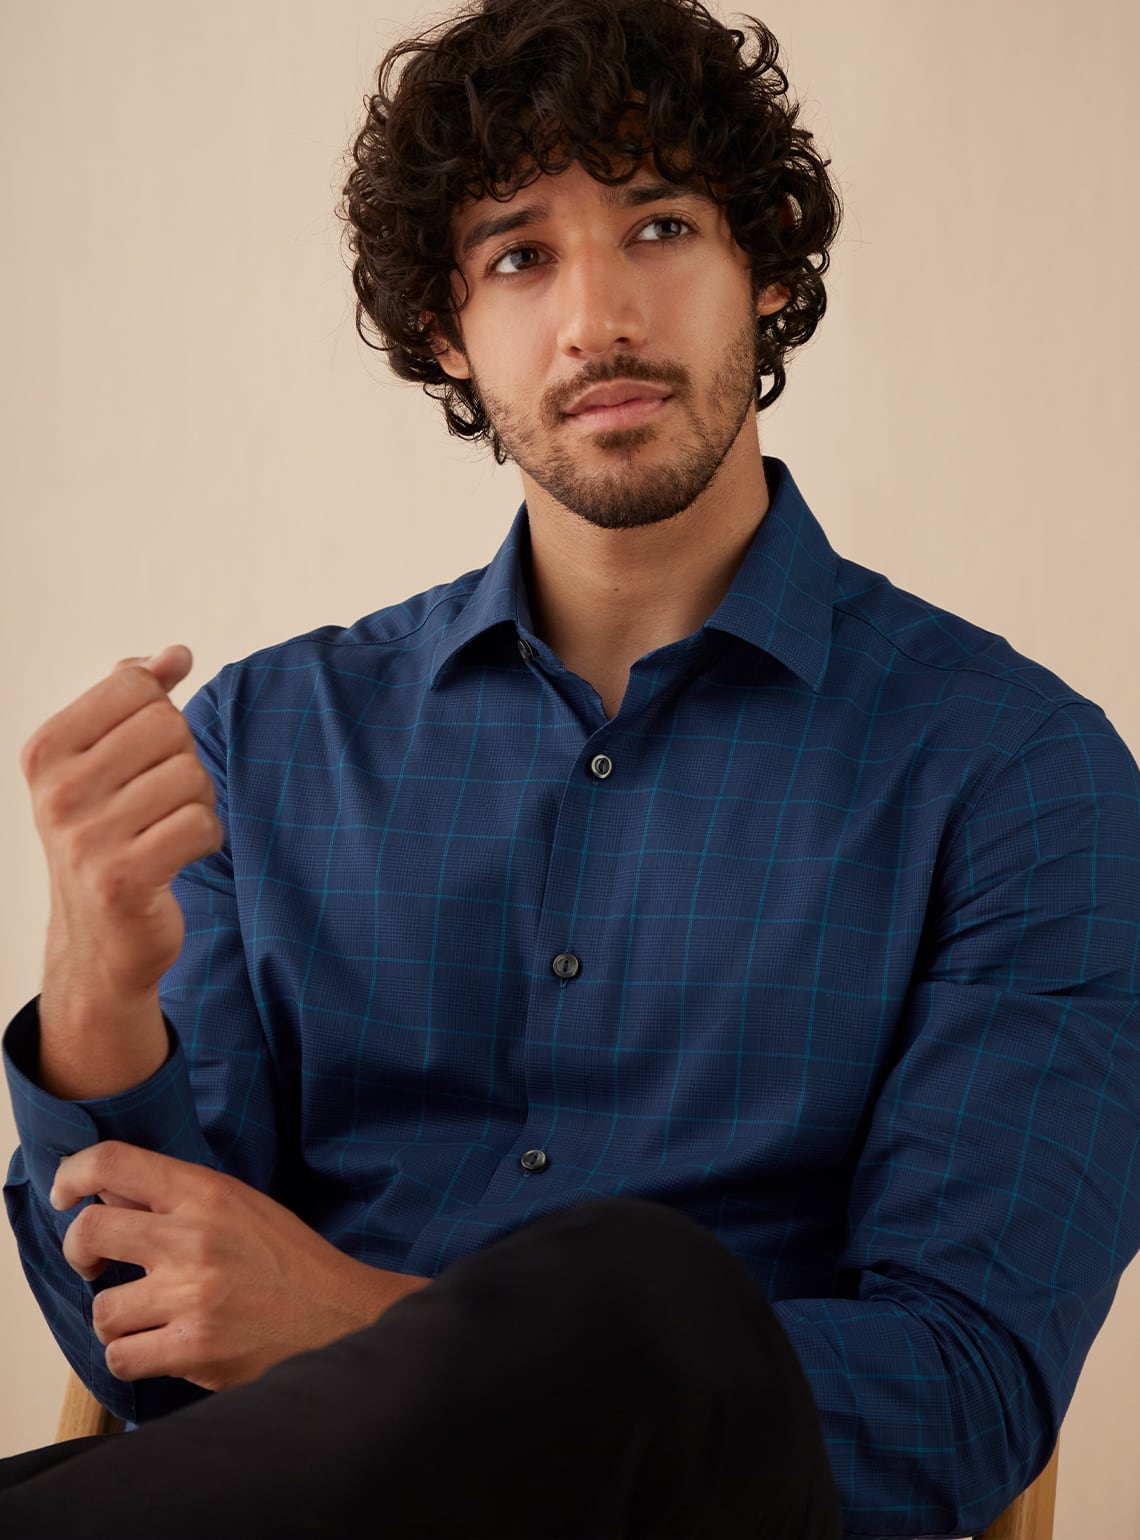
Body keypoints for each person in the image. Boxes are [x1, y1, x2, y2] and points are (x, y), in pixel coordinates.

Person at [3, 0, 1139, 1535]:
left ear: (768, 269)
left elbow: (957, 1396)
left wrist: (350, 1317)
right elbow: (150, 1363)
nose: (598, 317)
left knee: (647, 1280)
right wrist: (94, 992)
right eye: (518, 256)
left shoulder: (1022, 777)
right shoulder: (264, 744)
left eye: (660, 226)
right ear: (445, 331)